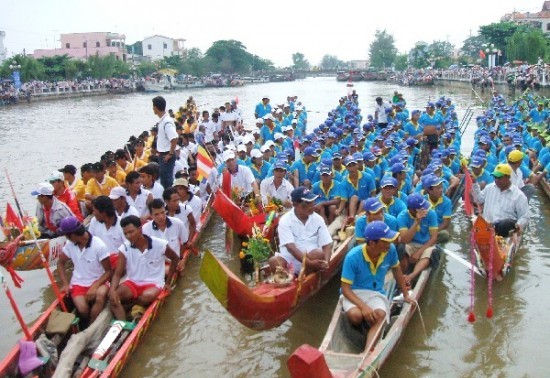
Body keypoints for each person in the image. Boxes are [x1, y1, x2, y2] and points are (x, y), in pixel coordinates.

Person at [341, 221, 411, 350]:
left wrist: (406, 294)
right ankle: (364, 325)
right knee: (356, 316)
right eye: (385, 241)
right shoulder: (353, 257)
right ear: (372, 243)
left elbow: (396, 270)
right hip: (354, 292)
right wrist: (364, 307)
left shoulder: (390, 251)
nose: (389, 245)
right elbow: (345, 289)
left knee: (380, 315)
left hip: (375, 292)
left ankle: (368, 351)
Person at [109, 215, 180, 320]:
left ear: (140, 229)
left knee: (148, 296)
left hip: (154, 283)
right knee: (113, 298)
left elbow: (175, 258)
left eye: (131, 232)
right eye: (125, 233)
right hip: (133, 282)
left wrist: (168, 283)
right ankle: (123, 323)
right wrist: (112, 290)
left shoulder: (159, 244)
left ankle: (131, 306)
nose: (128, 236)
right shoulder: (124, 248)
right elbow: (117, 274)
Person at [57, 216, 111, 323]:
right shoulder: (70, 244)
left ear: (72, 235)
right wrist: (65, 284)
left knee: (100, 296)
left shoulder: (98, 245)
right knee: (83, 310)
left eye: (66, 236)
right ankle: (85, 323)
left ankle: (92, 325)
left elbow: (108, 272)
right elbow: (60, 263)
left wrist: (94, 287)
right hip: (78, 283)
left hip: (98, 282)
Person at [268, 187, 333, 275]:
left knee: (319, 254)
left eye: (312, 202)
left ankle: (305, 276)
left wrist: (326, 262)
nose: (311, 206)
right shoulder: (285, 220)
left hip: (312, 257)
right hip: (291, 260)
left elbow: (327, 244)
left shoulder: (318, 219)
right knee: (274, 261)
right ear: (295, 204)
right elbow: (291, 248)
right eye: (306, 203)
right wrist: (309, 263)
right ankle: (290, 278)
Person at [473, 163, 530, 237]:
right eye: (495, 177)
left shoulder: (519, 195)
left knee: (505, 224)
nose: (496, 180)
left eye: (499, 178)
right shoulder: (489, 188)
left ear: (508, 177)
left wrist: (518, 225)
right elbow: (478, 200)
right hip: (487, 227)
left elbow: (524, 216)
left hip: (505, 229)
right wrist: (474, 183)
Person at [397, 193, 439, 283]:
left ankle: (412, 276)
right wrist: (416, 222)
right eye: (422, 208)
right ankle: (402, 275)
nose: (425, 210)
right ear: (413, 210)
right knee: (401, 248)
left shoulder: (431, 214)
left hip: (426, 244)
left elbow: (434, 238)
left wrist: (419, 253)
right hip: (410, 244)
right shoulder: (402, 216)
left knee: (430, 252)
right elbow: (405, 240)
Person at [89, 196, 126, 268]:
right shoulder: (94, 221)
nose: (93, 213)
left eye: (94, 210)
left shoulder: (122, 224)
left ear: (103, 212)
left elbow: (128, 250)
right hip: (100, 264)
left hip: (120, 264)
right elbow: (90, 243)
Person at [153, 96, 178, 189]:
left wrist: (170, 154)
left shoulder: (166, 122)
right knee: (164, 180)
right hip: (163, 154)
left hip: (166, 155)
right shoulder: (164, 120)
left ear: (156, 107)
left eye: (153, 106)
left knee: (167, 182)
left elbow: (174, 138)